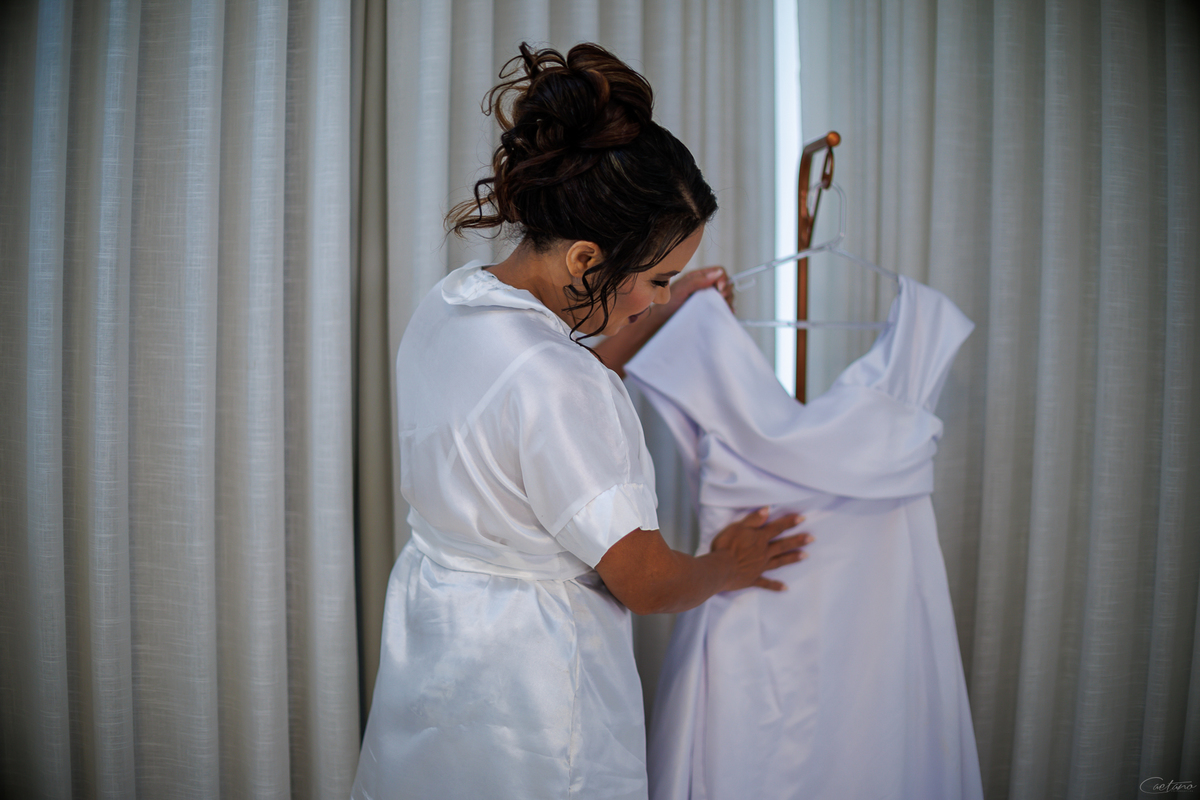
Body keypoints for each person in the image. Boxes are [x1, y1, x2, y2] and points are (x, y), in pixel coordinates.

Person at [350, 42, 811, 800]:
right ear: (586, 261)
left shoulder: (456, 303)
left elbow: (532, 403)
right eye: (658, 279)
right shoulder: (563, 386)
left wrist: (669, 311)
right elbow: (646, 582)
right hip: (533, 690)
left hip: (437, 641)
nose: (659, 298)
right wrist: (726, 565)